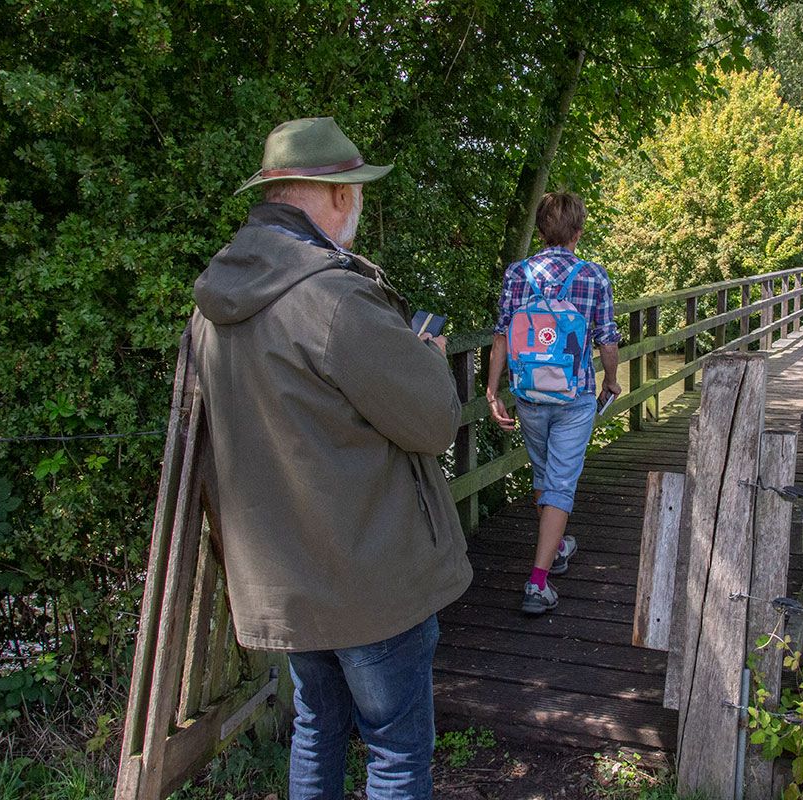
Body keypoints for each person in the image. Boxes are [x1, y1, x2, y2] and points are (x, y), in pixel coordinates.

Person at [191, 117, 472, 800]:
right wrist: (428, 362)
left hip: (285, 580)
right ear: (337, 195)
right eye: (357, 192)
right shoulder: (333, 299)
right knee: (396, 756)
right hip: (371, 579)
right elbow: (434, 424)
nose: (359, 209)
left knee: (316, 729)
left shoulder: (210, 307)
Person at [486, 192, 621, 615]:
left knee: (545, 474)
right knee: (561, 482)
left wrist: (493, 391)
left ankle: (557, 544)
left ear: (542, 231)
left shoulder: (517, 274)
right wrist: (612, 381)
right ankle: (537, 583)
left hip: (528, 394)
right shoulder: (594, 276)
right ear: (578, 232)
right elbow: (608, 340)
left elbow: (502, 336)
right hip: (575, 395)